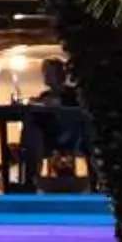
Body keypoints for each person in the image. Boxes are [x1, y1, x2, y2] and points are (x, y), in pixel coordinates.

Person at [20, 56, 95, 188]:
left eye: (49, 72)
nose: (45, 76)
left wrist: (56, 106)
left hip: (72, 136)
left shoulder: (72, 94)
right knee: (31, 128)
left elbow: (78, 114)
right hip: (48, 138)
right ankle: (30, 178)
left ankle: (30, 178)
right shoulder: (44, 96)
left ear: (59, 74)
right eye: (45, 73)